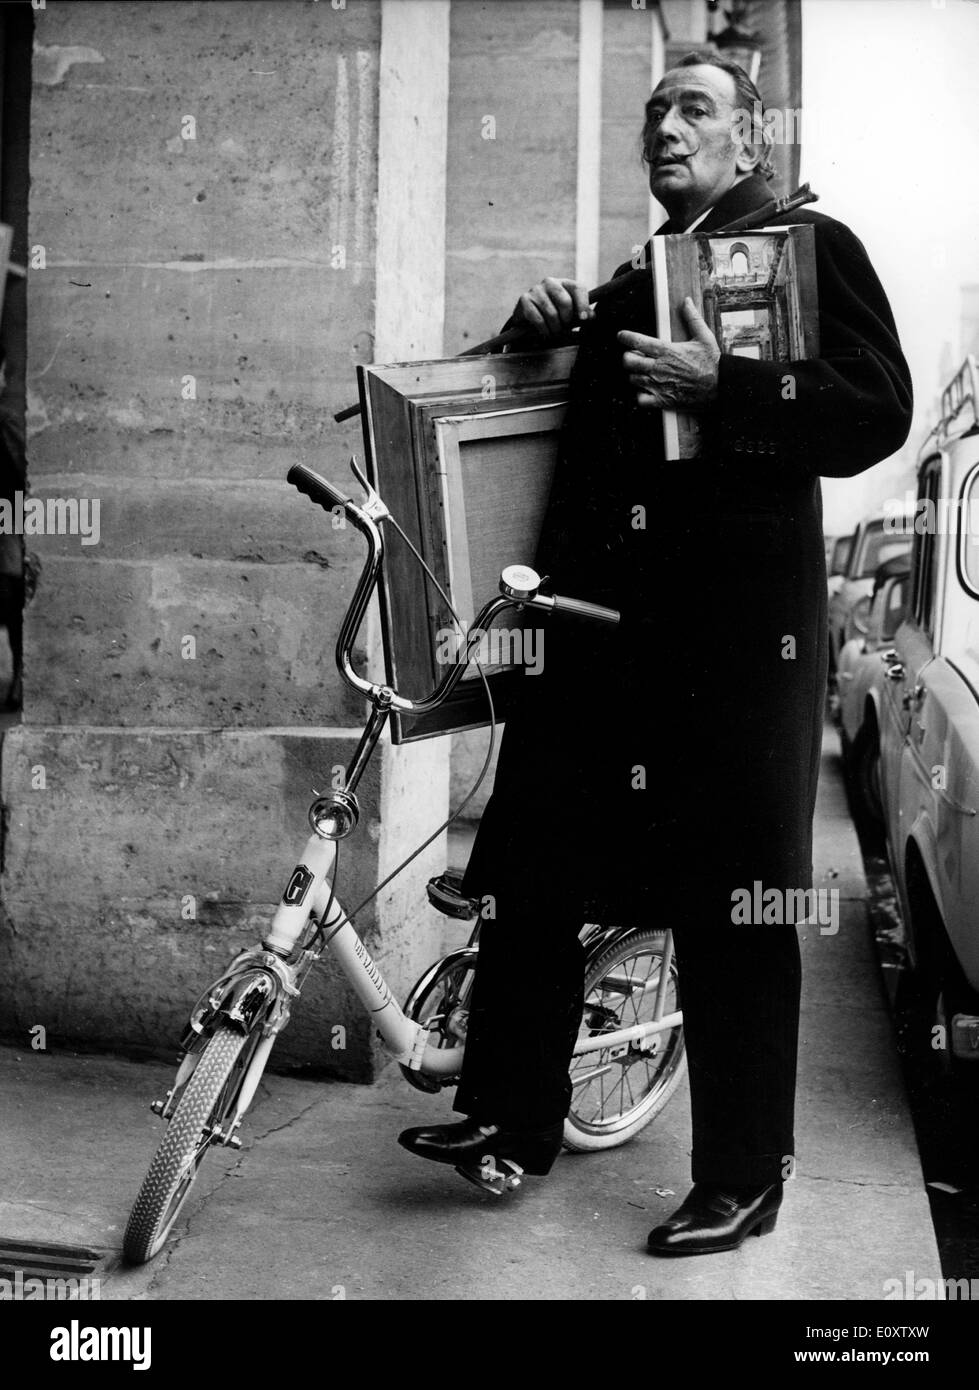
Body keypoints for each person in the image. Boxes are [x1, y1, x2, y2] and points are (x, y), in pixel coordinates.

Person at [399, 52, 913, 1256]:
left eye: (694, 109)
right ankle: (512, 1122)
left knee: (734, 913)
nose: (664, 129)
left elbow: (875, 408)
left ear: (748, 142)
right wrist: (535, 336)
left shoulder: (808, 247)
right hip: (597, 645)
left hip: (731, 655)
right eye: (653, 112)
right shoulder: (637, 278)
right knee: (532, 879)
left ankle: (743, 1176)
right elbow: (536, 430)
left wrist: (727, 382)